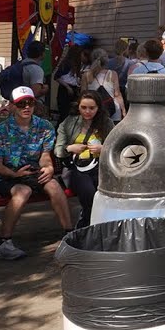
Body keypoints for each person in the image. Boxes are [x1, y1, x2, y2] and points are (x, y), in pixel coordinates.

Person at [0, 86, 72, 259]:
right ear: (11, 106)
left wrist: (49, 168)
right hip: (7, 176)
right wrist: (15, 175)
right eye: (20, 103)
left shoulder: (44, 127)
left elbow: (45, 156)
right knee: (23, 191)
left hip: (32, 172)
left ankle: (70, 235)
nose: (26, 107)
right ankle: (4, 242)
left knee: (54, 185)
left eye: (30, 102)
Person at [54, 92, 113, 229]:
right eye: (84, 107)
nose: (87, 111)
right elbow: (58, 150)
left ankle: (94, 225)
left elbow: (116, 146)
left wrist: (103, 148)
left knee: (106, 191)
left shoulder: (106, 122)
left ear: (98, 108)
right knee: (88, 192)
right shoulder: (69, 122)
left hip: (99, 167)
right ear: (78, 107)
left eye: (92, 108)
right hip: (74, 168)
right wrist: (70, 148)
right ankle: (87, 225)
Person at [82, 49, 125, 123]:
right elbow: (117, 94)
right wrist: (123, 110)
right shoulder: (113, 74)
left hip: (94, 110)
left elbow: (83, 94)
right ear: (106, 60)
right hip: (113, 109)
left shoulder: (86, 75)